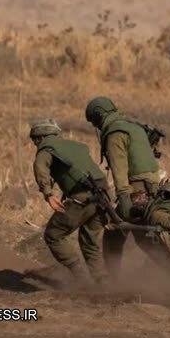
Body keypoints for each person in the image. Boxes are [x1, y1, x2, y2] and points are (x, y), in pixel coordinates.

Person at [84, 96, 170, 277]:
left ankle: (113, 281)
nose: (95, 126)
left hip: (137, 190)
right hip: (152, 185)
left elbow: (119, 170)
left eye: (94, 121)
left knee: (118, 234)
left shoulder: (114, 133)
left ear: (99, 115)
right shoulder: (133, 126)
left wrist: (124, 198)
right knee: (143, 235)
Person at [30, 118, 109, 284]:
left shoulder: (46, 149)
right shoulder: (76, 146)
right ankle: (103, 283)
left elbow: (40, 167)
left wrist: (48, 194)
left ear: (40, 138)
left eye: (35, 140)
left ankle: (82, 280)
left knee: (53, 235)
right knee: (90, 243)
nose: (35, 144)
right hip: (103, 198)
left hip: (82, 198)